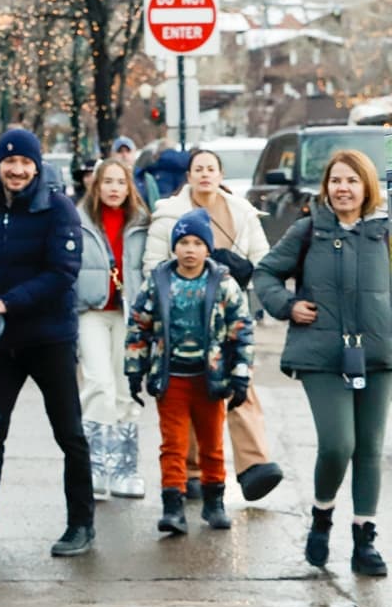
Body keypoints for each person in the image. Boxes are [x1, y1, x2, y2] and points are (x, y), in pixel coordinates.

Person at [0, 126, 97, 558]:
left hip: (50, 338)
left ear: (37, 166)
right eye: (10, 162)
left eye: (25, 162)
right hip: (0, 344)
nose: (17, 170)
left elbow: (62, 273)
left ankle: (81, 525)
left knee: (69, 433)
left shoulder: (59, 209)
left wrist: (7, 302)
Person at [253, 149, 391, 576]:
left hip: (378, 353)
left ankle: (364, 539)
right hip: (322, 353)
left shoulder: (384, 233)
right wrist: (288, 306)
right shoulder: (308, 230)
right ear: (326, 187)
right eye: (336, 180)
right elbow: (265, 275)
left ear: (367, 186)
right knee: (338, 444)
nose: (343, 188)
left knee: (369, 449)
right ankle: (322, 516)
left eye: (352, 180)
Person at [143, 148, 284, 503]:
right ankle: (191, 472)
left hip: (230, 315)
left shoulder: (242, 213)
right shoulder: (168, 215)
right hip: (184, 319)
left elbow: (263, 261)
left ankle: (254, 465)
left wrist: (243, 274)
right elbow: (152, 268)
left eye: (211, 168)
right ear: (188, 175)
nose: (205, 174)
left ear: (220, 175)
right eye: (198, 168)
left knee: (241, 384)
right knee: (192, 392)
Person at [126, 208, 255, 534]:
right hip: (172, 379)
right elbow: (139, 326)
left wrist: (240, 374)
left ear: (208, 248)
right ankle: (173, 505)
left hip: (210, 379)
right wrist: (134, 370)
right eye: (183, 242)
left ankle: (214, 502)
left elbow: (241, 329)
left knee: (212, 444)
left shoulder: (223, 283)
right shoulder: (158, 283)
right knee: (173, 444)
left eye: (198, 242)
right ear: (174, 247)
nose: (190, 249)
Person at [75, 157, 149, 498]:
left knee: (125, 387)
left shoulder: (141, 222)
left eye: (120, 182)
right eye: (108, 182)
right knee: (98, 384)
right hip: (91, 310)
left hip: (128, 313)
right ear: (96, 184)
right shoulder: (79, 220)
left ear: (129, 186)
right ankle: (95, 467)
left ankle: (125, 470)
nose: (114, 189)